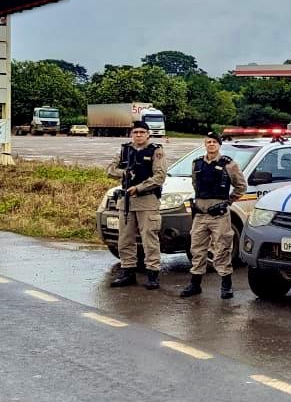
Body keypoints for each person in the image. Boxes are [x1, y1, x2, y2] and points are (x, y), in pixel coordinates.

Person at [180, 132, 247, 299]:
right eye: (208, 142)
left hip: (219, 215)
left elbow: (241, 187)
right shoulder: (197, 164)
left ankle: (226, 285)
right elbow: (195, 184)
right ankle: (195, 284)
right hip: (200, 214)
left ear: (219, 145)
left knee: (222, 249)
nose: (211, 144)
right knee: (197, 249)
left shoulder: (229, 164)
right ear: (205, 144)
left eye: (214, 142)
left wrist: (228, 202)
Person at [106, 121, 169, 290]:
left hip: (147, 201)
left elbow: (160, 177)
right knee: (125, 239)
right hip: (126, 202)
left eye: (142, 132)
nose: (139, 135)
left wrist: (139, 187)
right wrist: (125, 172)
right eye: (136, 132)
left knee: (150, 239)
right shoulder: (125, 149)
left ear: (148, 134)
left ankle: (152, 274)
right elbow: (110, 170)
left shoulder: (156, 150)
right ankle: (128, 272)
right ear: (131, 134)